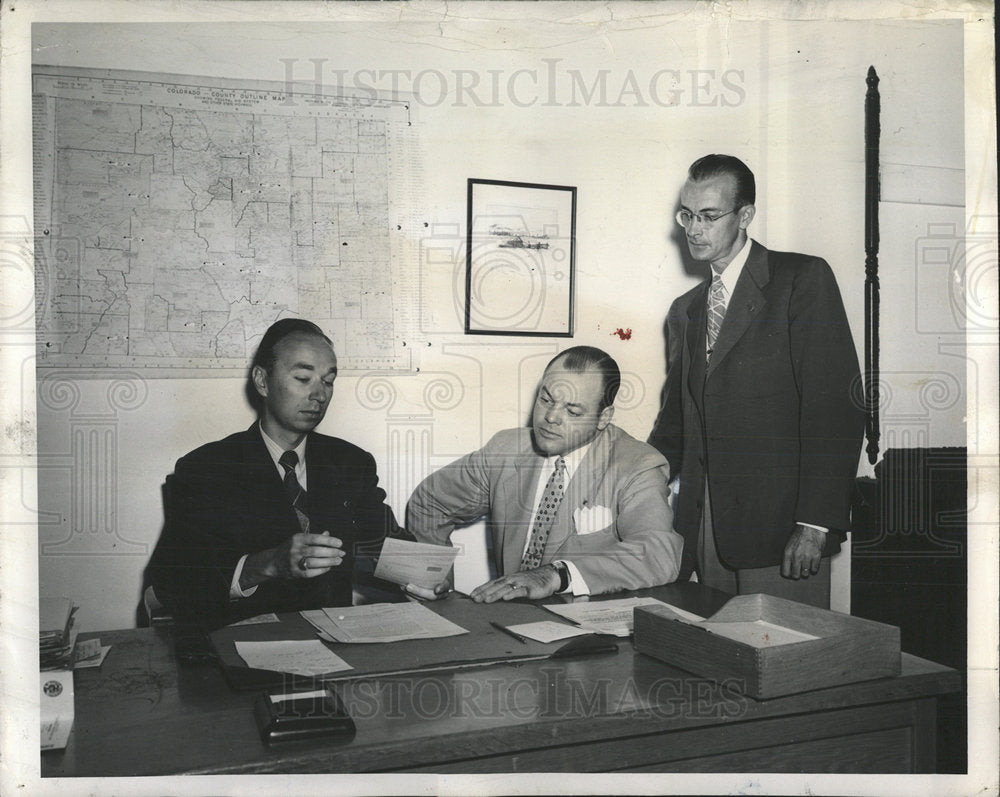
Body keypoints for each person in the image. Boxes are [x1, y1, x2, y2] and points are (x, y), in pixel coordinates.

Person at [648, 154, 864, 608]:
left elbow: (835, 411)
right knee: (712, 666)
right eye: (686, 214)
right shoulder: (685, 309)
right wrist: (626, 486)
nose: (693, 228)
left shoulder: (801, 280)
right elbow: (675, 423)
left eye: (708, 216)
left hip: (782, 530)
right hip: (701, 527)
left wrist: (815, 524)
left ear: (745, 215)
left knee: (785, 667)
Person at [147, 318, 405, 631]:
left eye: (328, 381)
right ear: (262, 381)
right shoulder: (208, 469)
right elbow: (172, 582)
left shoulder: (351, 463)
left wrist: (426, 574)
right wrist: (268, 564)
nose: (319, 395)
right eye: (303, 377)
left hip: (333, 645)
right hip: (241, 645)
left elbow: (387, 543)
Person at [406, 346, 683, 602]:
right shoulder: (505, 450)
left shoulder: (637, 465)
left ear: (603, 417)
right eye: (546, 399)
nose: (551, 417)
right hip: (512, 620)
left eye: (572, 411)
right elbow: (430, 503)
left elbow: (659, 553)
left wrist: (556, 574)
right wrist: (431, 578)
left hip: (586, 633)